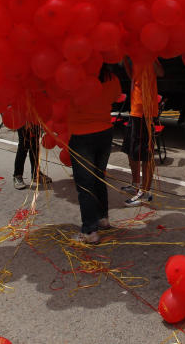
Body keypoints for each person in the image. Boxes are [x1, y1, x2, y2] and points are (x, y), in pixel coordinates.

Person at [67, 64, 121, 244]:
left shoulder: (74, 75)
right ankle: (102, 218)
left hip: (82, 135)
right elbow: (115, 97)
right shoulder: (111, 77)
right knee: (99, 178)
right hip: (105, 132)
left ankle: (90, 231)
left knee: (85, 185)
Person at [123, 58, 162, 207]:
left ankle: (145, 192)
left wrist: (148, 56)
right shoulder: (131, 56)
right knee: (130, 150)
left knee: (145, 153)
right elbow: (132, 77)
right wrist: (126, 59)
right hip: (135, 110)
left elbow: (160, 72)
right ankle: (135, 184)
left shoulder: (148, 54)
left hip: (145, 111)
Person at [13, 125, 50, 190]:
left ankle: (36, 174)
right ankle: (17, 175)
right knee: (24, 144)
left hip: (35, 119)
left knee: (35, 144)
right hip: (22, 119)